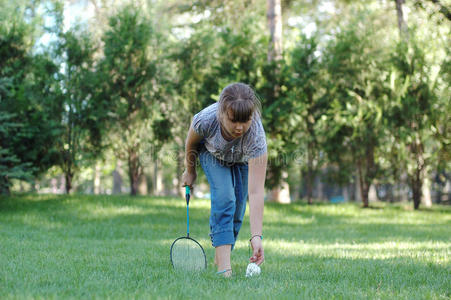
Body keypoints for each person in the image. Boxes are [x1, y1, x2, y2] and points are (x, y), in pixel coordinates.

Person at [182, 82, 267, 277]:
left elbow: (255, 193)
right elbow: (191, 142)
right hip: (212, 154)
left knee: (238, 211)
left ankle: (221, 255)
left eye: (245, 120)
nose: (239, 127)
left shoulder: (256, 136)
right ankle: (224, 270)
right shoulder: (206, 119)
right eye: (233, 120)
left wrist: (256, 236)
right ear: (222, 113)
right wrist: (190, 171)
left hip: (241, 159)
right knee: (225, 198)